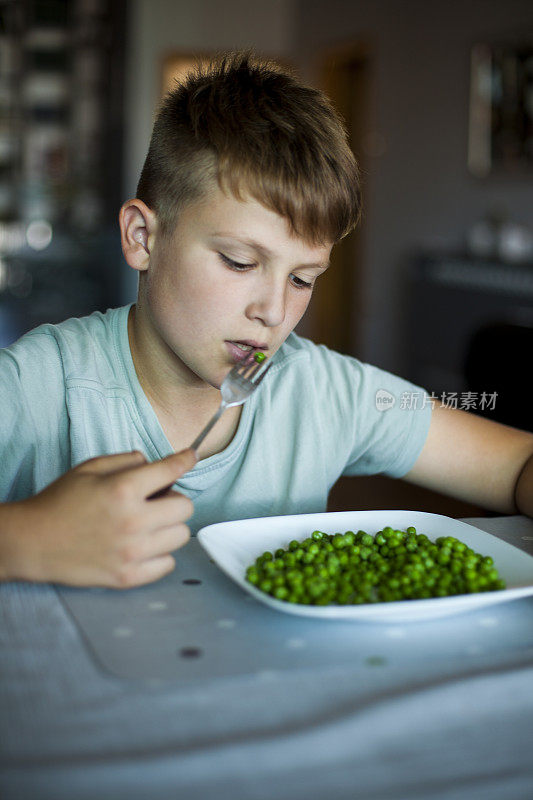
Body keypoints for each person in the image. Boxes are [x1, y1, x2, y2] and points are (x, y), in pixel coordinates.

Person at [0, 52, 532, 589]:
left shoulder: (324, 392)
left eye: (302, 279)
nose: (275, 314)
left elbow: (515, 466)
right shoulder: (38, 387)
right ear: (143, 237)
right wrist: (28, 538)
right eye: (239, 262)